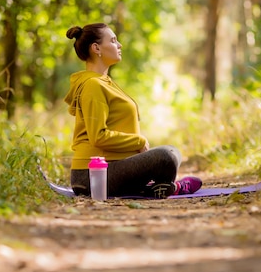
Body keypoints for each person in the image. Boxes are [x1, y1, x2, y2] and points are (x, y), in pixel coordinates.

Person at [64, 23, 202, 199]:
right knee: (165, 157)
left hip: (113, 167)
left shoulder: (104, 82)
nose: (119, 45)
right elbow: (98, 136)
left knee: (173, 152)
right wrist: (138, 141)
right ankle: (171, 187)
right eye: (113, 41)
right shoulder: (92, 85)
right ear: (96, 48)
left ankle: (158, 187)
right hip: (91, 176)